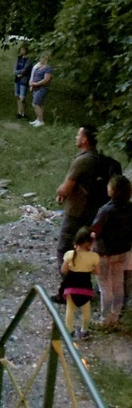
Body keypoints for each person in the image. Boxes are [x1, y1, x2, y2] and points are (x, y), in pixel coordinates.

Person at [55, 125, 104, 270]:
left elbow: (65, 189)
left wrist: (59, 191)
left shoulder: (82, 160)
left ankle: (67, 285)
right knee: (83, 248)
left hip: (76, 210)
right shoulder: (98, 158)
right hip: (92, 209)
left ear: (85, 140)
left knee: (64, 248)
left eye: (78, 135)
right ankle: (82, 282)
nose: (76, 138)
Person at [91, 174, 132, 328]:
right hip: (122, 252)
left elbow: (95, 230)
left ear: (112, 190)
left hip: (104, 253)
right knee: (118, 285)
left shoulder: (105, 211)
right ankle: (115, 318)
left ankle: (104, 320)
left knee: (105, 287)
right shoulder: (130, 208)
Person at [61, 227, 100, 339]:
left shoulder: (69, 254)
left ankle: (68, 332)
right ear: (89, 243)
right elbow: (97, 272)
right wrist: (88, 269)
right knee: (86, 310)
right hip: (85, 286)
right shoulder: (94, 257)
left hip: (71, 286)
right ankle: (84, 331)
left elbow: (63, 270)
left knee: (70, 309)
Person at [29, 54, 52, 127]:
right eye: (40, 58)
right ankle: (38, 119)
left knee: (35, 104)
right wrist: (31, 83)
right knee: (40, 104)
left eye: (43, 58)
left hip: (42, 88)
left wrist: (36, 84)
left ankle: (41, 121)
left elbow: (46, 79)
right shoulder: (38, 67)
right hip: (35, 87)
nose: (41, 59)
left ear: (46, 60)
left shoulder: (47, 68)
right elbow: (33, 76)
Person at [13, 45, 32, 119]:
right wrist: (17, 73)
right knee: (17, 96)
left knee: (22, 97)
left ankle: (23, 112)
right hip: (17, 80)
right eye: (21, 50)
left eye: (23, 50)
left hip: (23, 80)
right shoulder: (19, 58)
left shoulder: (29, 59)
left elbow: (26, 69)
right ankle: (19, 112)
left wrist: (20, 73)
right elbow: (14, 69)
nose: (22, 51)